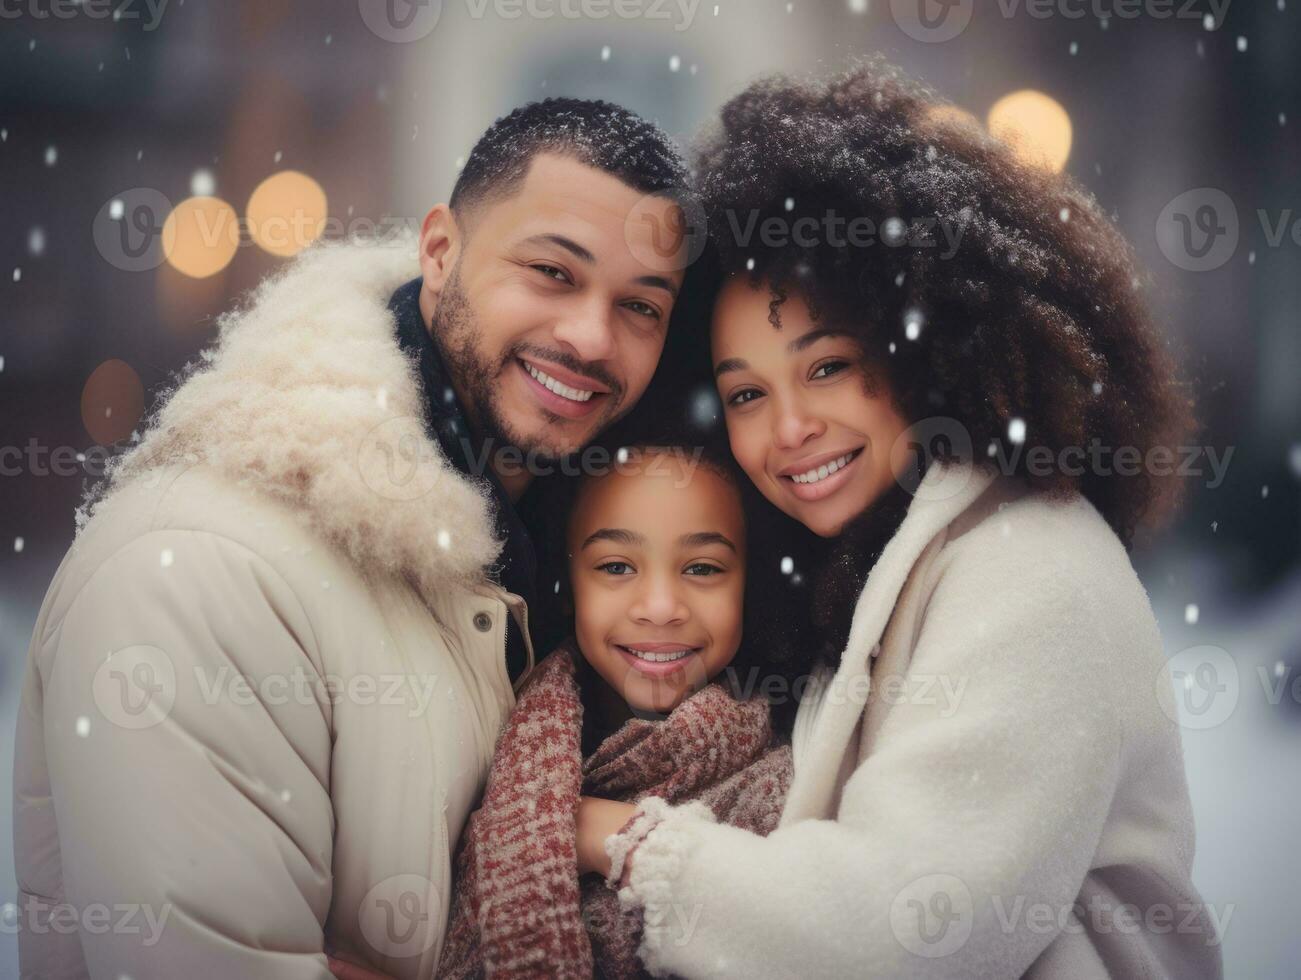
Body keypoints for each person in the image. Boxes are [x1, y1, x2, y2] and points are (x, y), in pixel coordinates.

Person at [13, 98, 692, 979]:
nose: (592, 337)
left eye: (640, 305)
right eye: (552, 273)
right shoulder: (201, 569)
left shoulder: (583, 565)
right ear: (441, 253)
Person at [587, 60, 1226, 978]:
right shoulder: (861, 571)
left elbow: (890, 937)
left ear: (932, 345)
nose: (790, 428)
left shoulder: (1030, 569)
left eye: (827, 366)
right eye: (745, 393)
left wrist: (615, 838)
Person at [430, 441, 791, 979]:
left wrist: (602, 834)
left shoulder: (797, 787)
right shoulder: (485, 738)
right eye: (617, 566)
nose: (662, 607)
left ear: (747, 585)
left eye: (703, 567)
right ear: (571, 584)